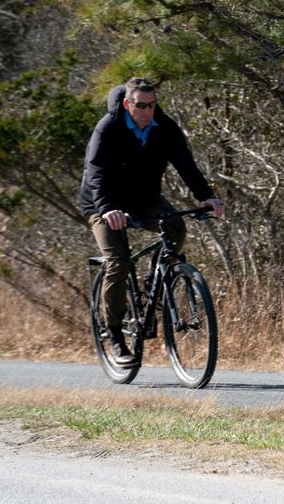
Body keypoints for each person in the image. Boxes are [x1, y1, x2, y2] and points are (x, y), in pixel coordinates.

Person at [80, 77, 226, 367]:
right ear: (127, 104)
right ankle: (115, 338)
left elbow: (186, 164)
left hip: (145, 198)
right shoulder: (108, 128)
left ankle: (156, 276)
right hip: (103, 203)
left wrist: (207, 196)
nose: (147, 111)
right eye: (141, 106)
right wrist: (107, 209)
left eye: (152, 105)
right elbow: (95, 172)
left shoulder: (165, 127)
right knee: (118, 261)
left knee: (175, 227)